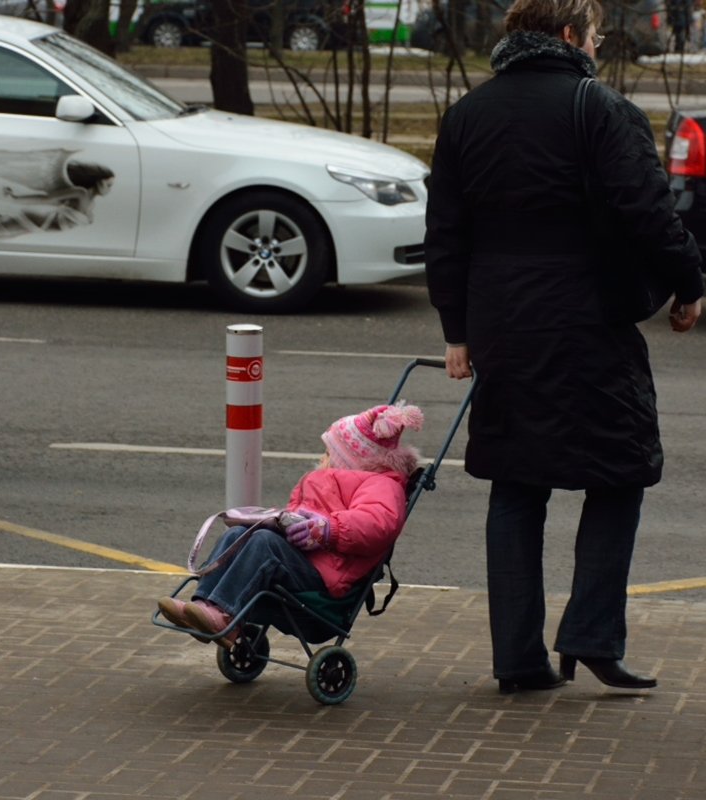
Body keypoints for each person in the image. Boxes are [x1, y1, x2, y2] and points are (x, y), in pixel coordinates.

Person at [425, 0, 704, 694]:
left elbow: (446, 233)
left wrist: (456, 329)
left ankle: (517, 660)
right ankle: (591, 635)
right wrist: (689, 284)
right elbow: (648, 210)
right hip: (587, 318)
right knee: (621, 472)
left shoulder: (468, 114)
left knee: (517, 484)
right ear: (574, 36)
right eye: (598, 34)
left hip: (501, 322)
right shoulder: (599, 107)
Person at [158, 403, 424, 649]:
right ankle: (204, 605)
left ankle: (225, 615)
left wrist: (327, 528)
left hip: (326, 574)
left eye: (331, 452)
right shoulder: (323, 478)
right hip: (304, 558)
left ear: (353, 458)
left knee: (264, 543)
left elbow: (377, 524)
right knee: (238, 535)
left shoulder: (382, 485)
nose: (325, 457)